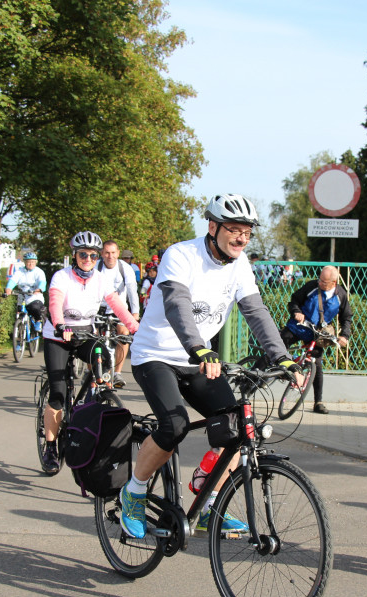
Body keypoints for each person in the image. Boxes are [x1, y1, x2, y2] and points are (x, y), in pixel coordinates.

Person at [120, 193, 303, 539]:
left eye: (246, 233)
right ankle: (135, 491)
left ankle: (209, 504)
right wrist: (199, 348)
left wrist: (282, 357)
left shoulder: (240, 264)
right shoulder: (182, 255)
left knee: (236, 427)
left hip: (200, 361)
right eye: (234, 230)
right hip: (157, 355)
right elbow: (177, 304)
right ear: (212, 226)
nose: (240, 238)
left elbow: (256, 312)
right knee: (173, 426)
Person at [39, 231, 139, 473]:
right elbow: (55, 302)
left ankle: (91, 400)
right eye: (83, 254)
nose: (88, 259)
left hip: (85, 334)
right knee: (58, 395)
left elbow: (117, 305)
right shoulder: (61, 277)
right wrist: (60, 324)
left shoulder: (100, 280)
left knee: (104, 356)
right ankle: (51, 447)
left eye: (93, 256)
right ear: (75, 255)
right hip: (59, 336)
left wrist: (137, 328)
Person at [280, 265, 353, 414]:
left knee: (316, 366)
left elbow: (347, 317)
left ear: (334, 282)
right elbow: (294, 300)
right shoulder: (312, 286)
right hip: (298, 327)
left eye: (324, 282)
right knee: (277, 347)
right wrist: (296, 312)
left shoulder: (341, 296)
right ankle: (255, 376)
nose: (320, 283)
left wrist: (344, 336)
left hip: (317, 334)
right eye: (320, 279)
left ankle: (318, 402)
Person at [97, 240, 140, 388]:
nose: (110, 256)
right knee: (92, 338)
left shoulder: (125, 268)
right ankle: (91, 371)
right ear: (102, 253)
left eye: (113, 252)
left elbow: (132, 291)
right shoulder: (96, 267)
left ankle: (117, 373)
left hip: (119, 308)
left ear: (118, 253)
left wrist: (135, 313)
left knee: (123, 335)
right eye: (107, 253)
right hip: (99, 308)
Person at [4, 251, 47, 327]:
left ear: (36, 262)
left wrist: (39, 289)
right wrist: (8, 288)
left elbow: (42, 282)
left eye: (33, 262)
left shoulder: (39, 272)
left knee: (34, 308)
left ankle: (38, 321)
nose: (30, 264)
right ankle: (18, 331)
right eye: (28, 262)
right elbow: (13, 280)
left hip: (34, 297)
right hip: (23, 296)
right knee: (18, 312)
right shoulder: (20, 271)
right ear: (24, 262)